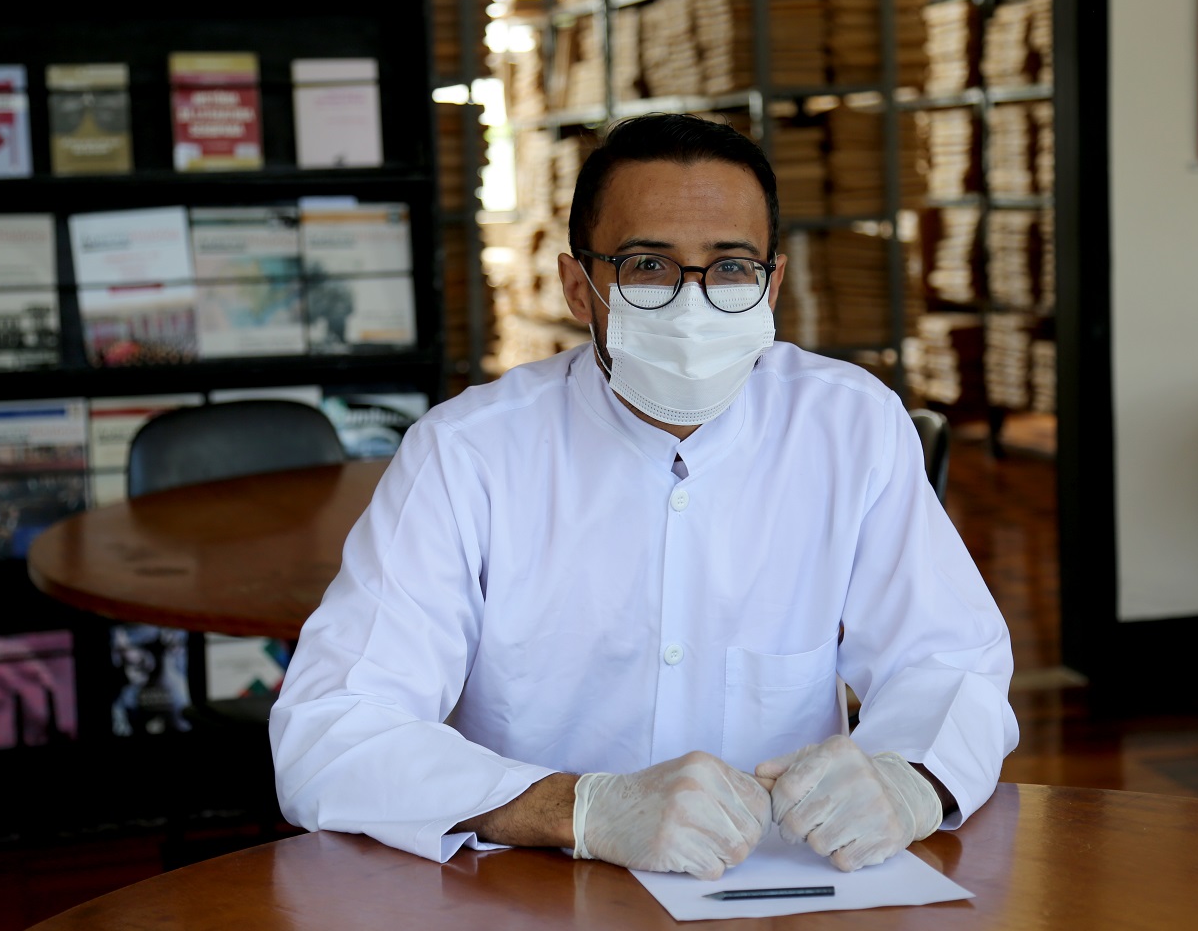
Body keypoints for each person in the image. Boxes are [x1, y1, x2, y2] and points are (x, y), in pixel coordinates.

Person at [270, 113, 1018, 880]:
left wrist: (910, 779)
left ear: (773, 285)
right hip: (537, 890)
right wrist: (578, 809)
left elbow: (950, 662)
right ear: (578, 288)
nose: (693, 305)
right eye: (648, 267)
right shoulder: (467, 455)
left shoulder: (849, 427)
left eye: (731, 269)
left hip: (779, 890)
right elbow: (331, 732)